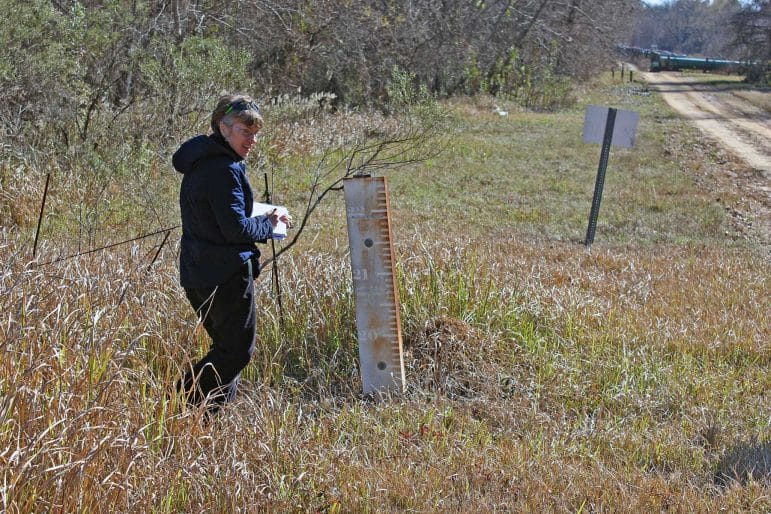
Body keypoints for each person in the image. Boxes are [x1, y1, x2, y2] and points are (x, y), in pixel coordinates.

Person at [171, 93, 290, 413]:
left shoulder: (201, 162)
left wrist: (260, 221)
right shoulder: (223, 169)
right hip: (224, 275)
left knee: (226, 349)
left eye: (255, 132)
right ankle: (179, 403)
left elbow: (221, 220)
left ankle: (206, 418)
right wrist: (269, 224)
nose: (252, 139)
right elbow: (234, 230)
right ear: (223, 128)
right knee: (236, 352)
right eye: (244, 131)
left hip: (197, 273)